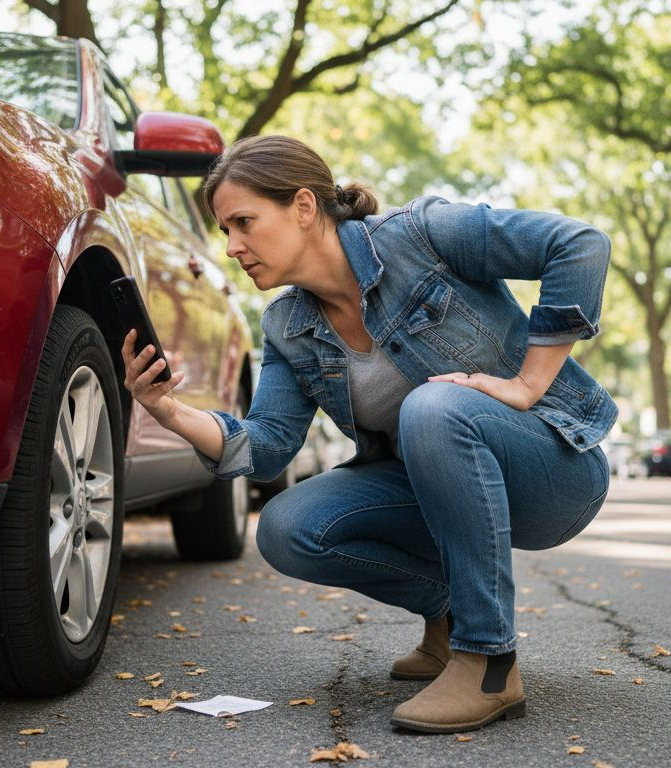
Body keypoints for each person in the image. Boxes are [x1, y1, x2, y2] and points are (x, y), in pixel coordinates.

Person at [120, 135, 615, 734]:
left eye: (243, 223)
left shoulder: (422, 234)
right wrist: (168, 411)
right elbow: (269, 443)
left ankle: (488, 662)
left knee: (433, 407)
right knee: (288, 527)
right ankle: (450, 616)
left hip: (552, 469)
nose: (232, 248)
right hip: (435, 490)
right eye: (226, 230)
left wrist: (530, 383)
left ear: (304, 207)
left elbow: (579, 244)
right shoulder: (287, 325)